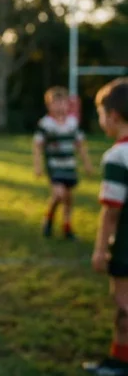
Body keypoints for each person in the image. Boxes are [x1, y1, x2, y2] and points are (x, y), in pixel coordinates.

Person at [84, 78, 128, 375]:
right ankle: (118, 360)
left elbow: (111, 213)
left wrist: (100, 250)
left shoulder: (117, 156)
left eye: (100, 114)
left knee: (124, 303)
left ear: (112, 116)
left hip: (125, 247)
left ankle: (119, 363)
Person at [33, 86, 94, 239]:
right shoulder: (46, 124)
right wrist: (38, 165)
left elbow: (80, 144)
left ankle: (67, 227)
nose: (60, 106)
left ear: (68, 104)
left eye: (63, 103)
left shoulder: (72, 123)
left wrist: (87, 163)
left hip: (69, 165)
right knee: (59, 194)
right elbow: (37, 145)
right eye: (56, 103)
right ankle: (49, 219)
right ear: (49, 105)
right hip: (54, 166)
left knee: (68, 197)